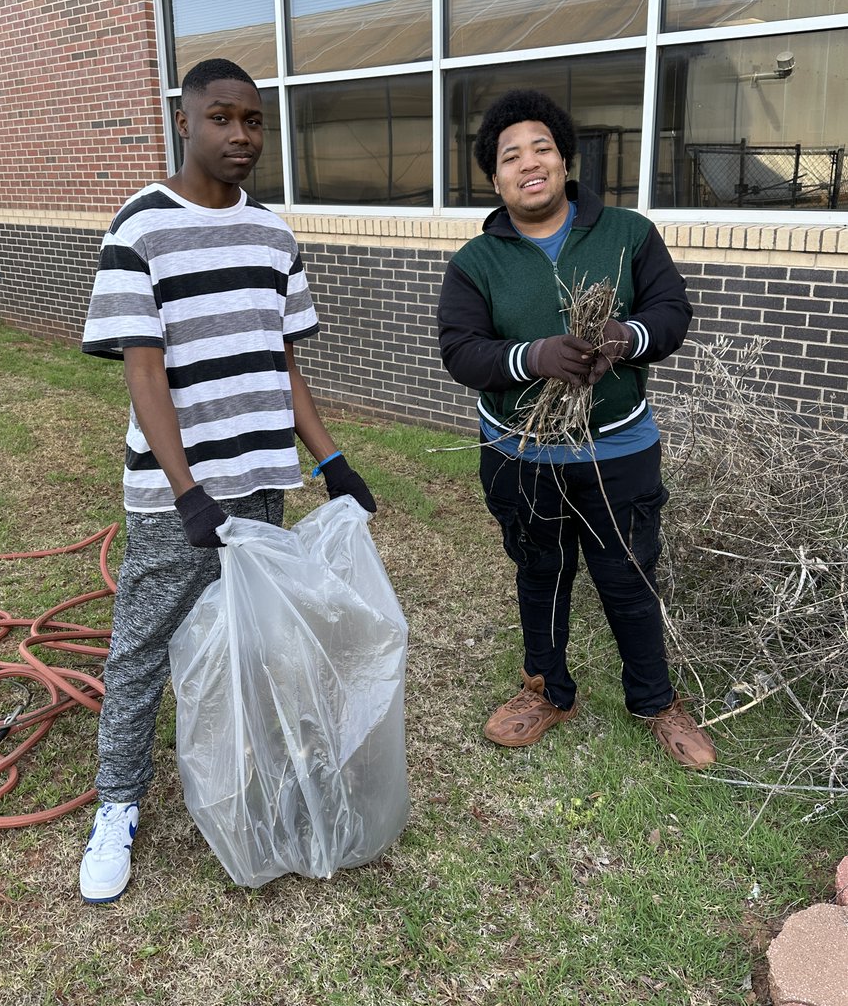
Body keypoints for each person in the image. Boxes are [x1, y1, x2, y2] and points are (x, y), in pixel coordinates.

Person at [78, 58, 376, 903]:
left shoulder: (275, 235)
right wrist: (185, 489)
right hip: (181, 494)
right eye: (222, 118)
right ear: (185, 121)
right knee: (142, 647)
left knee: (255, 639)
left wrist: (330, 461)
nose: (240, 135)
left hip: (261, 482)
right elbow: (145, 370)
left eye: (253, 121)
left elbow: (281, 363)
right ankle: (118, 807)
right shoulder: (141, 227)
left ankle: (262, 779)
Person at [437, 88, 715, 770]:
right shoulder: (476, 263)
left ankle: (655, 700)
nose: (528, 164)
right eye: (510, 156)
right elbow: (460, 351)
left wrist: (627, 336)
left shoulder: (628, 234)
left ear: (564, 160)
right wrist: (534, 357)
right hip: (520, 451)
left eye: (541, 148)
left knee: (628, 575)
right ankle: (547, 689)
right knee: (541, 570)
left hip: (618, 446)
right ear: (495, 177)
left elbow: (672, 312)